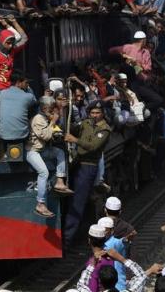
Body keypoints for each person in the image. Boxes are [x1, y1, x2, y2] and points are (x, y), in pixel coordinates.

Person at [63, 101, 111, 245]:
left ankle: (67, 238)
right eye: (92, 113)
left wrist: (75, 140)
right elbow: (73, 128)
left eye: (97, 113)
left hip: (88, 166)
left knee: (78, 201)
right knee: (71, 199)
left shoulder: (105, 129)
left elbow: (93, 146)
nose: (94, 116)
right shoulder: (86, 123)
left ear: (102, 114)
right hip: (77, 163)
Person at [0, 28, 28, 162]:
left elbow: (24, 38)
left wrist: (12, 23)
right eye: (8, 42)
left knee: (4, 123)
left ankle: (6, 152)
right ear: (1, 41)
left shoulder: (11, 52)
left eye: (12, 42)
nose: (10, 45)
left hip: (5, 93)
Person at [26, 96, 73, 218]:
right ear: (44, 107)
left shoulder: (45, 118)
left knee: (60, 153)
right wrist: (53, 122)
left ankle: (59, 181)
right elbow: (46, 136)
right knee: (44, 173)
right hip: (33, 151)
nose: (52, 111)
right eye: (51, 108)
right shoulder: (38, 119)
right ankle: (40, 204)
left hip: (43, 150)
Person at [0, 72, 36, 145]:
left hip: (3, 135)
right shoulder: (28, 96)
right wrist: (29, 88)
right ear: (18, 83)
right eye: (26, 83)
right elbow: (34, 101)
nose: (27, 85)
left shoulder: (2, 93)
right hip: (22, 135)